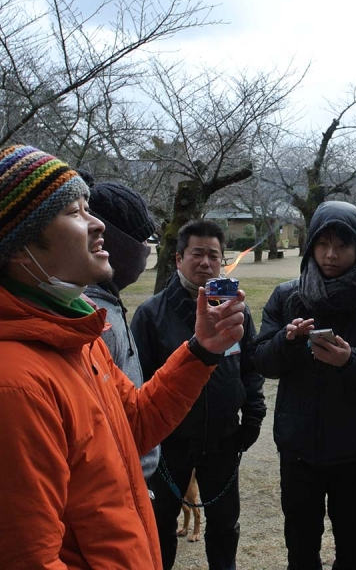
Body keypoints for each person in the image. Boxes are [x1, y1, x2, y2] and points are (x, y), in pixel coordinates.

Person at [0, 142, 246, 570]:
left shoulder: (74, 337)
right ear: (19, 247)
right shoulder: (1, 389)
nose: (97, 224)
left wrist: (201, 350)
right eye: (74, 212)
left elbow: (135, 424)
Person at [253, 200, 356, 570]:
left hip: (353, 448)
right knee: (301, 548)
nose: (331, 254)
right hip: (297, 447)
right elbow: (262, 362)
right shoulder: (287, 296)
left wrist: (349, 360)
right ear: (310, 247)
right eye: (322, 244)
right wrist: (286, 341)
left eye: (342, 245)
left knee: (352, 547)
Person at [132, 219, 265, 570]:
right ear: (178, 259)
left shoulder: (234, 311)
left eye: (214, 255)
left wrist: (253, 416)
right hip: (169, 445)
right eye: (197, 253)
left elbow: (250, 368)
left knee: (225, 526)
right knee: (161, 525)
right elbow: (138, 382)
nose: (206, 262)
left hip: (224, 439)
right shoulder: (151, 314)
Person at [83, 180, 161, 480]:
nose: (145, 251)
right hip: (117, 482)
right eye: (139, 242)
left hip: (133, 479)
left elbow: (133, 410)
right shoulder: (93, 321)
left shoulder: (110, 305)